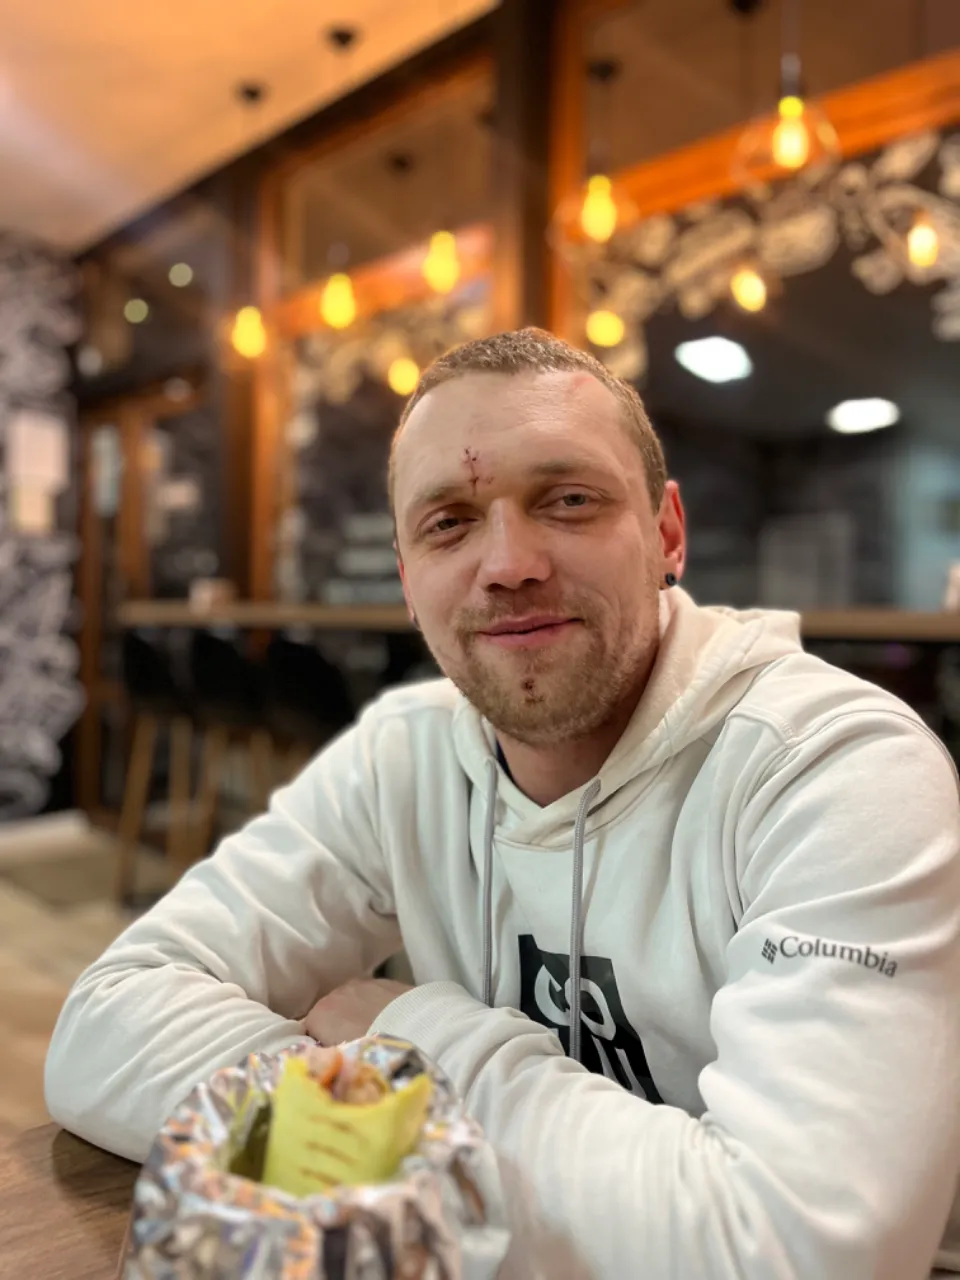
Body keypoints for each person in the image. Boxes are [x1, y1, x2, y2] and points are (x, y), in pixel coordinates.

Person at [46, 328, 960, 1279]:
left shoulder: (836, 771)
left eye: (569, 500)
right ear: (407, 579)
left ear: (666, 534)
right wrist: (386, 1103)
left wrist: (410, 1038)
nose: (510, 562)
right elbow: (102, 1031)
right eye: (448, 521)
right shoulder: (402, 753)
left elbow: (800, 1254)